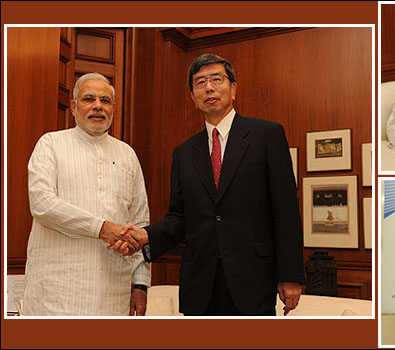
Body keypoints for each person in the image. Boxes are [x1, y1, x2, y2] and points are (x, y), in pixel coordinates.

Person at [113, 53, 304, 316]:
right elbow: (180, 217)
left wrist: (290, 275)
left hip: (252, 281)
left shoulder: (267, 136)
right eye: (200, 82)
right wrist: (147, 235)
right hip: (199, 284)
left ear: (233, 88)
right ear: (192, 96)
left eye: (217, 79)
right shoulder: (184, 152)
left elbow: (286, 211)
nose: (209, 87)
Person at [22, 73, 150, 316]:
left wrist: (140, 284)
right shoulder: (51, 144)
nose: (98, 106)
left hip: (115, 291)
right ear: (73, 106)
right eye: (89, 99)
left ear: (113, 108)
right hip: (57, 290)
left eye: (105, 100)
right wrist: (101, 228)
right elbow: (42, 204)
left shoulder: (127, 154)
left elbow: (141, 222)